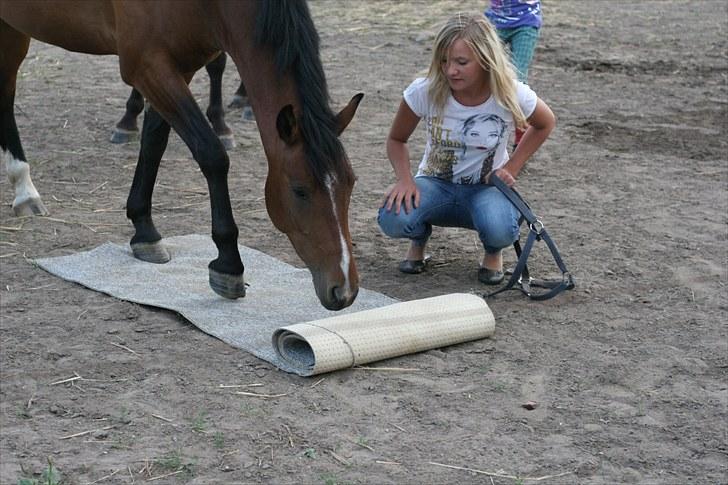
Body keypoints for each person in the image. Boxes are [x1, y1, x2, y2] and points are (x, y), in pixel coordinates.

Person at [377, 12, 555, 284]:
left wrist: (511, 167)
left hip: (487, 189)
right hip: (435, 185)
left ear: (485, 60)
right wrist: (404, 180)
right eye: (444, 61)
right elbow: (396, 140)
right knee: (393, 217)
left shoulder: (509, 93)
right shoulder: (424, 91)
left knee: (499, 228)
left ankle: (493, 251)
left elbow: (545, 123)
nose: (450, 70)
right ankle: (418, 239)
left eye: (461, 62)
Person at [485, 0, 542, 148]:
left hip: (526, 22)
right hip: (494, 22)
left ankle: (521, 134)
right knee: (485, 70)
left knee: (517, 79)